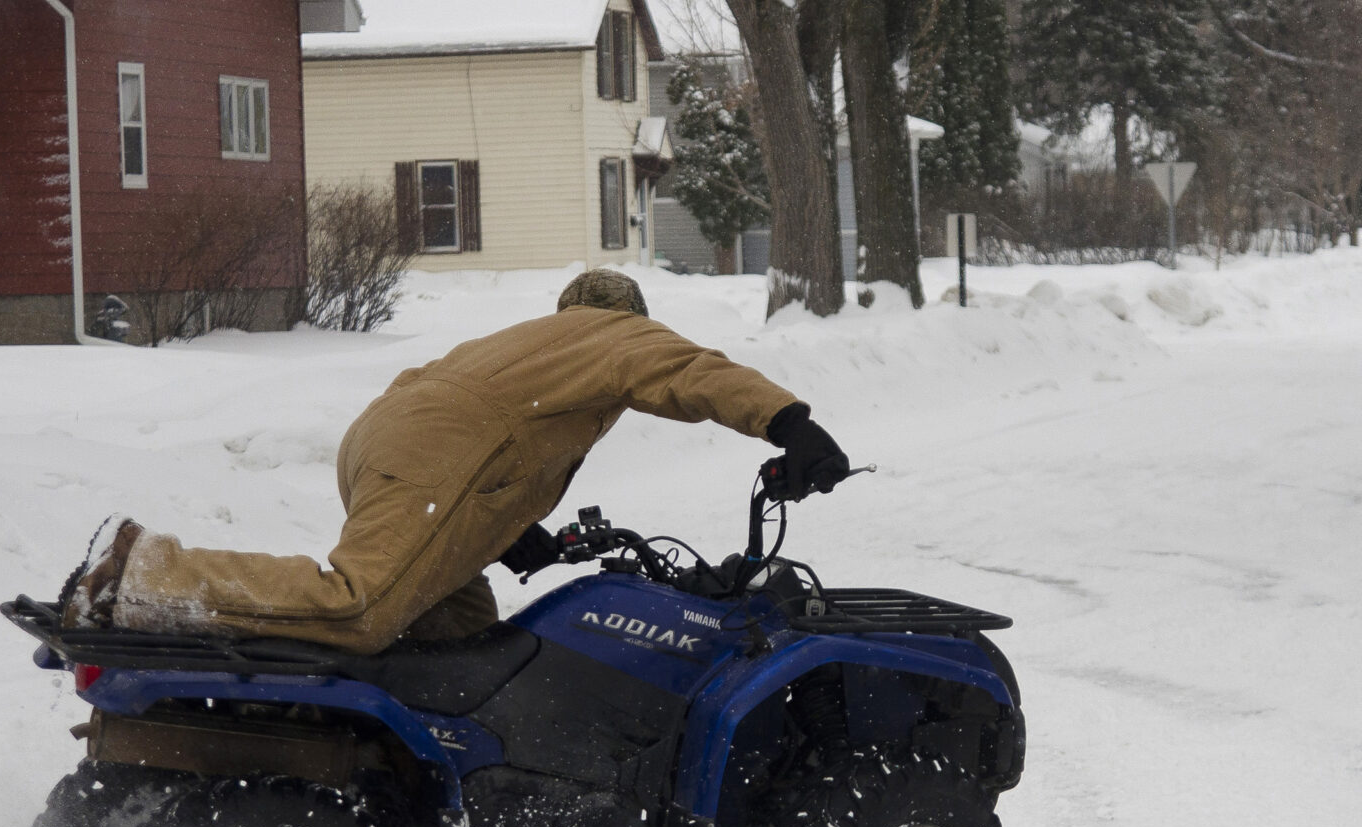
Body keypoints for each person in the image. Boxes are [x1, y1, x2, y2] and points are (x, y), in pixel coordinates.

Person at [57, 270, 849, 653]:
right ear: (627, 314)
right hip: (436, 455)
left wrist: (508, 536)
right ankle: (143, 573)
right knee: (362, 604)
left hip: (394, 442)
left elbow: (503, 451)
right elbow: (695, 373)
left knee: (462, 644)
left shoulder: (533, 342)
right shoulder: (615, 334)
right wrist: (791, 423)